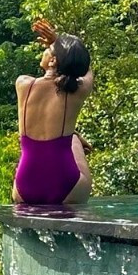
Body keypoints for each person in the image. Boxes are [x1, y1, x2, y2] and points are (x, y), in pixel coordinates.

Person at [12, 18, 94, 205]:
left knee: (63, 138)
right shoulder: (77, 91)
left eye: (47, 50)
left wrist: (56, 44)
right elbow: (87, 70)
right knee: (72, 139)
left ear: (53, 61)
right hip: (66, 186)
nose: (44, 51)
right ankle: (74, 139)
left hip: (24, 188)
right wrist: (57, 43)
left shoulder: (23, 84)